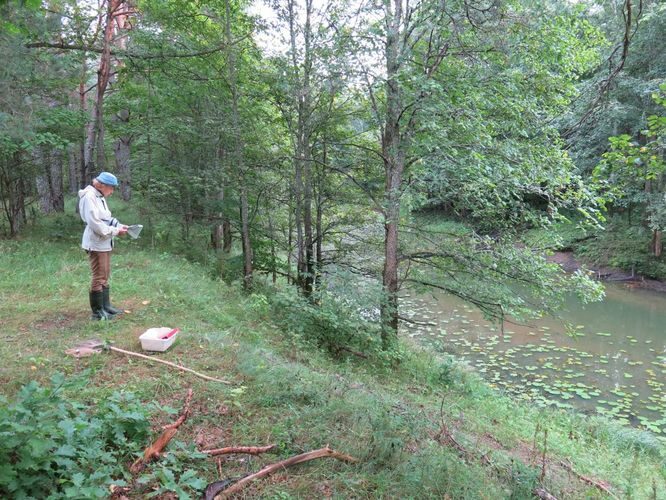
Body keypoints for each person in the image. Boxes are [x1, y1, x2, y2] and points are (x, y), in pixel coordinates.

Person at [78, 172, 128, 320]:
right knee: (98, 276)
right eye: (111, 188)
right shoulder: (89, 197)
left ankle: (106, 307)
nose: (112, 191)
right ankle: (97, 313)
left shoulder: (100, 196)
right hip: (95, 242)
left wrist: (120, 225)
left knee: (105, 274)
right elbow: (95, 223)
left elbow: (105, 217)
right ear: (102, 185)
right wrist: (115, 231)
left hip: (104, 241)